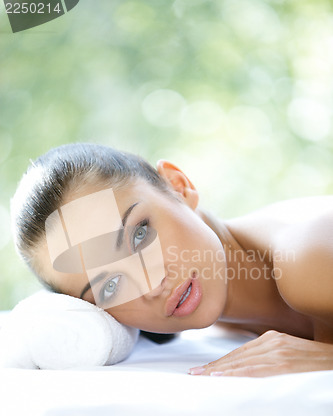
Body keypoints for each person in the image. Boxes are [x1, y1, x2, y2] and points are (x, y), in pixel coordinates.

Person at [11, 143, 333, 377]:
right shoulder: (224, 325)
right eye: (111, 286)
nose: (151, 285)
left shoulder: (307, 259)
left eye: (139, 235)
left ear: (178, 186)